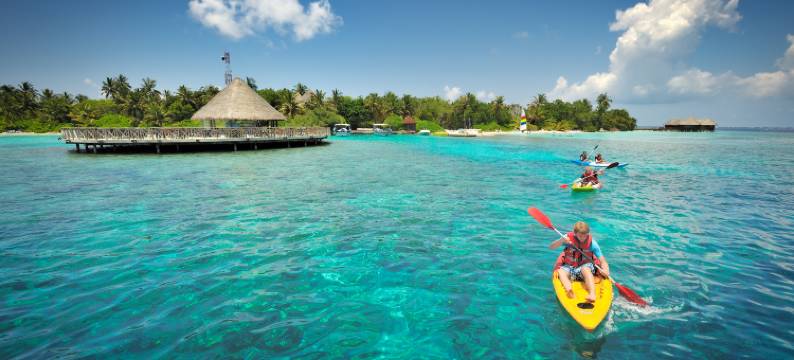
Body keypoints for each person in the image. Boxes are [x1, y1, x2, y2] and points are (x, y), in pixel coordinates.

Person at [549, 221, 610, 302]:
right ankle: (569, 288)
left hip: (585, 266)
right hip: (570, 267)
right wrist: (561, 240)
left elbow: (603, 260)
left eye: (585, 236)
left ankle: (592, 294)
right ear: (575, 233)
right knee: (561, 271)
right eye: (580, 236)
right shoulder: (568, 238)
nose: (582, 238)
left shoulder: (592, 243)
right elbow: (551, 247)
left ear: (588, 234)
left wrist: (606, 270)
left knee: (585, 269)